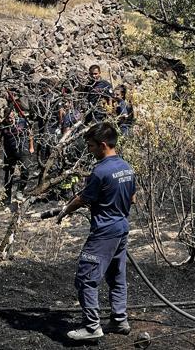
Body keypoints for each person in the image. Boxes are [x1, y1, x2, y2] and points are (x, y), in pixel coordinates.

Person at [56, 122, 136, 341]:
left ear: (102, 145)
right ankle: (119, 320)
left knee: (85, 278)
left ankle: (92, 327)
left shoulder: (100, 171)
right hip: (121, 228)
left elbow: (82, 199)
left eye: (91, 146)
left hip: (104, 233)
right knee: (116, 276)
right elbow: (132, 198)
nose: (90, 151)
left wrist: (64, 211)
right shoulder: (127, 168)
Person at [0, 95, 35, 205]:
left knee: (25, 171)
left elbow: (30, 134)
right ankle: (7, 196)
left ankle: (20, 191)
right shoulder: (2, 126)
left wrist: (31, 147)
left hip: (22, 150)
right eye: (8, 118)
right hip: (9, 152)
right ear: (4, 117)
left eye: (11, 117)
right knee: (9, 175)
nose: (10, 120)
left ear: (14, 115)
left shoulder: (22, 122)